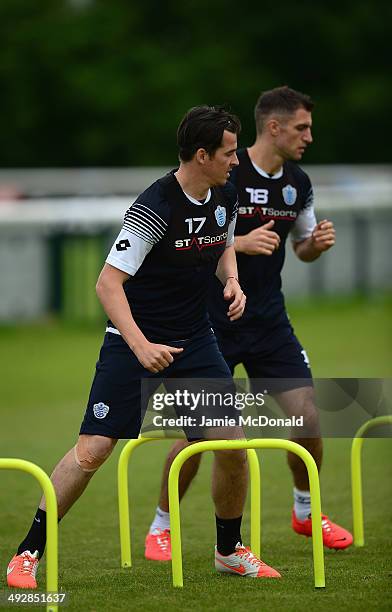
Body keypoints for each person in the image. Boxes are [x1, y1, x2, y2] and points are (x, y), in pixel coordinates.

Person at [7, 105, 282, 591]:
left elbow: (220, 242)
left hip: (195, 340)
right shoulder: (154, 208)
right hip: (131, 340)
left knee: (233, 446)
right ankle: (28, 553)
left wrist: (234, 280)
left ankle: (229, 550)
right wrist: (141, 345)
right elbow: (107, 284)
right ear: (202, 155)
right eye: (229, 152)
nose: (237, 161)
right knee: (92, 452)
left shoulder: (225, 192)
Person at [145, 86, 353, 562]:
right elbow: (198, 240)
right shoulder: (222, 174)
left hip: (269, 320)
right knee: (196, 435)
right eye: (302, 127)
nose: (309, 137)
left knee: (309, 414)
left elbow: (299, 247)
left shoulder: (298, 183)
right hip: (210, 321)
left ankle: (306, 512)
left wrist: (315, 245)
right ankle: (162, 524)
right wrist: (238, 243)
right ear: (274, 126)